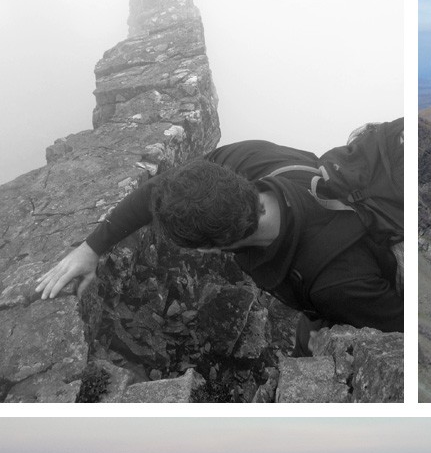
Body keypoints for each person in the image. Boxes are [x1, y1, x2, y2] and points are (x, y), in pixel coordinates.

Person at [35, 128, 403, 348]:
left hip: (353, 297)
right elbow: (157, 193)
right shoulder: (246, 160)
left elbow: (401, 327)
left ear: (214, 248)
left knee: (312, 341)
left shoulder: (334, 283)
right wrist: (91, 248)